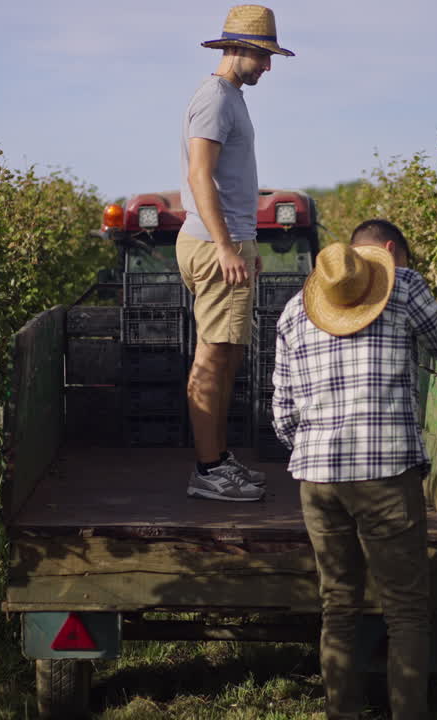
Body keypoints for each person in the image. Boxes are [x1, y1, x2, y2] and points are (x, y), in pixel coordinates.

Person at [272, 219, 437, 720]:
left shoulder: (292, 312)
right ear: (390, 253)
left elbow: (282, 414)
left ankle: (341, 713)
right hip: (385, 472)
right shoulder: (405, 286)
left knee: (339, 606)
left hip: (317, 478)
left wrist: (313, 453)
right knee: (407, 610)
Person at [177, 5, 294, 502]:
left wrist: (244, 245)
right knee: (212, 356)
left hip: (228, 241)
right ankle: (206, 470)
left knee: (228, 355)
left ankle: (218, 459)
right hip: (211, 242)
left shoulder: (231, 98)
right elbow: (199, 175)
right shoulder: (215, 98)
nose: (267, 67)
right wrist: (226, 246)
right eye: (263, 57)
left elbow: (229, 181)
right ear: (238, 49)